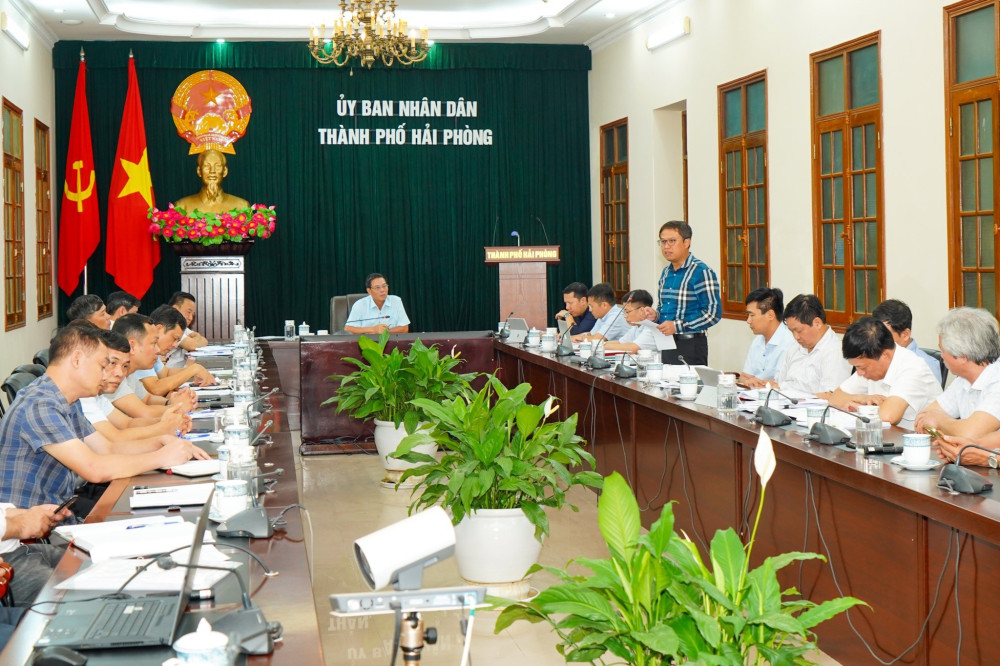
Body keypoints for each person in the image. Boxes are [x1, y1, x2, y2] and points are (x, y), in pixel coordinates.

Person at [0, 324, 207, 516]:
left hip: (59, 512)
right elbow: (94, 468)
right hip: (29, 527)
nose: (106, 376)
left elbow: (106, 449)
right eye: (102, 366)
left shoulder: (68, 400)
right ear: (77, 360)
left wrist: (160, 442)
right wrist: (161, 457)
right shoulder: (41, 404)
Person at [828, 317, 942, 427]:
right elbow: (834, 398)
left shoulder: (913, 367)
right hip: (886, 437)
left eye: (862, 368)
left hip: (919, 439)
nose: (859, 373)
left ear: (884, 355)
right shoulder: (868, 367)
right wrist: (862, 398)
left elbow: (888, 416)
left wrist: (859, 407)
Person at [80, 328, 189, 442]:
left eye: (125, 366)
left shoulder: (96, 395)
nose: (120, 373)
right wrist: (164, 425)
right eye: (112, 363)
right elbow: (115, 440)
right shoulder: (83, 397)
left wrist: (168, 420)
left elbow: (127, 423)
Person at [914, 307, 1000, 438]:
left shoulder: (997, 381)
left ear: (962, 356)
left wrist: (940, 421)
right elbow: (922, 420)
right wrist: (952, 429)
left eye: (943, 350)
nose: (941, 356)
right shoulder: (963, 380)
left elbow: (970, 433)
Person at [651, 221, 721, 365]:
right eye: (663, 242)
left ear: (686, 242)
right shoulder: (666, 272)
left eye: (672, 241)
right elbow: (666, 310)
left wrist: (677, 326)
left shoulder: (701, 271)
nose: (666, 246)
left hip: (691, 345)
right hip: (666, 343)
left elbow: (713, 314)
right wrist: (655, 316)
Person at [772, 294, 851, 396]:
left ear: (817, 323)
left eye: (799, 331)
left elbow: (830, 398)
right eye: (791, 331)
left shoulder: (835, 351)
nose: (796, 337)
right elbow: (780, 383)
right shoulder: (796, 347)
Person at [135, 305, 216, 397]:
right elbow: (155, 389)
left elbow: (165, 373)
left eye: (178, 341)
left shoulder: (153, 349)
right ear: (159, 328)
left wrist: (195, 371)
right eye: (174, 338)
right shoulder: (141, 349)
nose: (175, 345)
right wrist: (193, 370)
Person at [871, 299, 944, 387]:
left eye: (885, 335)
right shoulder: (872, 357)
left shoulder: (926, 365)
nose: (878, 340)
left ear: (905, 335)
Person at [739, 287, 795, 388]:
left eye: (752, 315)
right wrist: (749, 382)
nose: (748, 321)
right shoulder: (758, 340)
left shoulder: (790, 342)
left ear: (770, 315)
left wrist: (758, 384)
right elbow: (743, 377)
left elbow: (780, 385)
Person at [173, 148, 250, 215]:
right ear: (199, 171)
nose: (212, 171)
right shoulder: (182, 207)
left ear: (225, 171)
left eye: (217, 166)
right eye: (207, 166)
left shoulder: (242, 206)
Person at [344, 273, 410, 334]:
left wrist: (386, 331)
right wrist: (373, 329)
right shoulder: (360, 305)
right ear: (369, 291)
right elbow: (348, 329)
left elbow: (404, 328)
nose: (382, 290)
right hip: (368, 342)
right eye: (377, 287)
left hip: (391, 341)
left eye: (384, 286)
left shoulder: (396, 301)